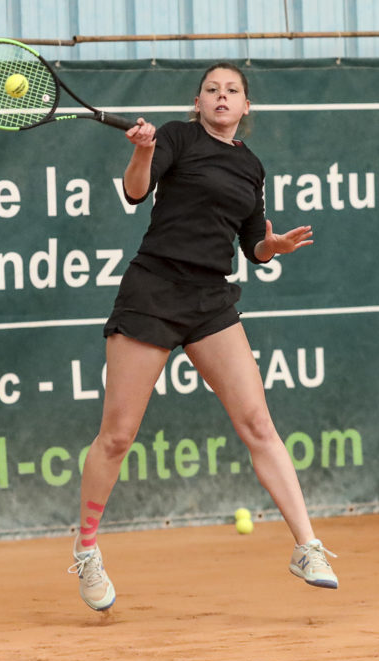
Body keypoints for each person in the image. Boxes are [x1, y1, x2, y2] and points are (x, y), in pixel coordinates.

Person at [67, 62, 338, 612]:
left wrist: (274, 247)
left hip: (211, 299)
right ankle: (87, 548)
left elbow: (251, 244)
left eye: (231, 91)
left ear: (244, 108)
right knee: (117, 436)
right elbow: (135, 192)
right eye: (211, 90)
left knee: (258, 423)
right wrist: (142, 150)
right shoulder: (176, 137)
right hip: (154, 291)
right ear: (198, 103)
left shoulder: (250, 166)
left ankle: (306, 546)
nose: (221, 97)